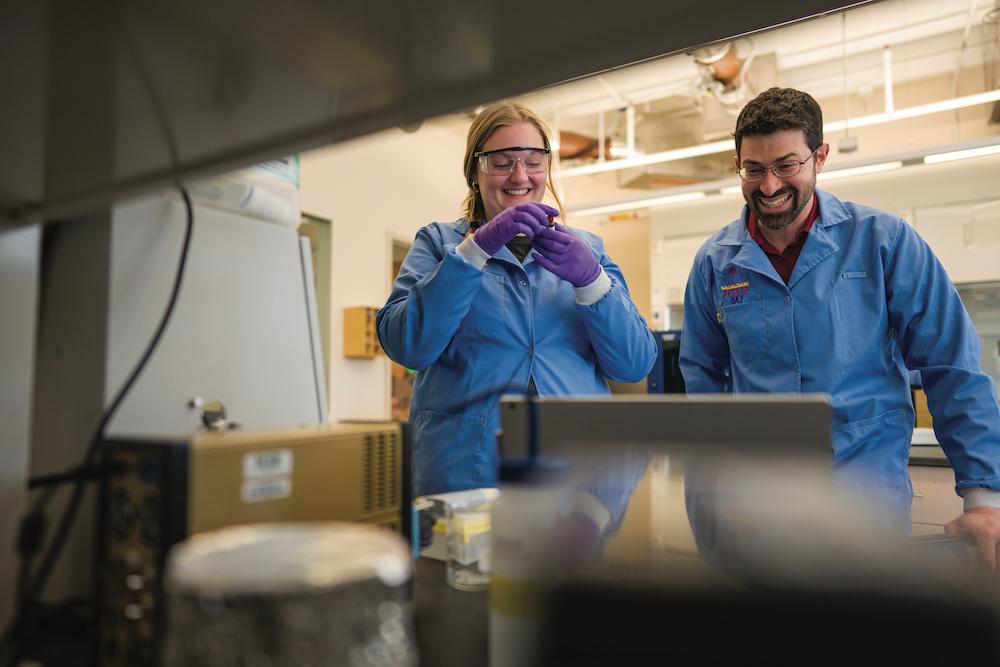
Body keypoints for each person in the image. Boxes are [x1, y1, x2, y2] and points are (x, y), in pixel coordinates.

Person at [679, 87, 1000, 574]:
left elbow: (952, 366)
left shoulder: (883, 242)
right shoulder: (715, 262)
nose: (768, 186)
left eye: (786, 166)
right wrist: (707, 513)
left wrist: (983, 496)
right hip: (757, 511)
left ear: (820, 156)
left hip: (864, 503)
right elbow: (705, 392)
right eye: (754, 169)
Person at [377, 102, 656, 496]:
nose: (520, 176)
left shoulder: (588, 250)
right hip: (465, 476)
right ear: (475, 171)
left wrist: (592, 282)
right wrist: (473, 253)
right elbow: (408, 346)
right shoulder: (438, 244)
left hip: (579, 483)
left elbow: (634, 365)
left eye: (533, 161)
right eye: (502, 162)